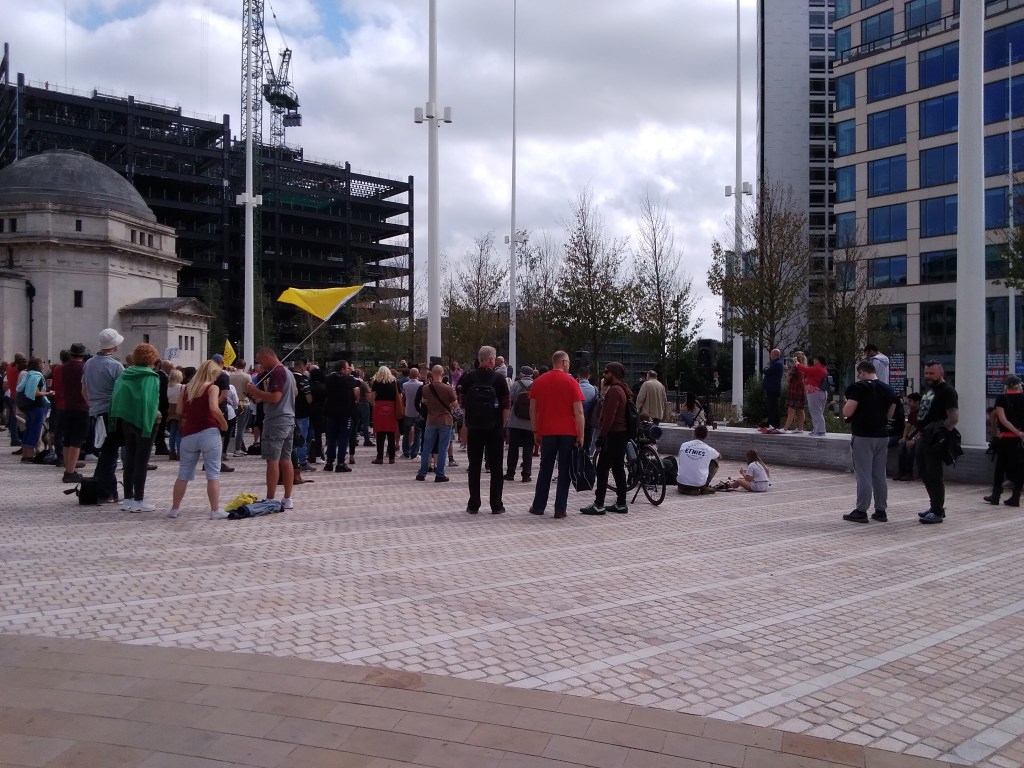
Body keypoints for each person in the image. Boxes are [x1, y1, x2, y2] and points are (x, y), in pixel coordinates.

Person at [167, 360, 230, 519]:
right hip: (209, 432)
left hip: (189, 434)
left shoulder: (187, 388)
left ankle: (174, 509)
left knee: (183, 474)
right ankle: (215, 510)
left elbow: (180, 410)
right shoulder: (212, 388)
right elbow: (214, 408)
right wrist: (223, 424)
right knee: (213, 473)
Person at [527, 350, 584, 519]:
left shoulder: (538, 381)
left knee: (545, 468)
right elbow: (579, 411)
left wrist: (535, 430)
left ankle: (538, 506)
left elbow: (532, 409)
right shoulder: (572, 382)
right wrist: (581, 435)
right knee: (565, 470)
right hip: (568, 432)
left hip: (547, 432)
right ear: (564, 362)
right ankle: (560, 508)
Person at [841, 360, 899, 524]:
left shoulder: (858, 388)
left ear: (862, 373)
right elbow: (890, 414)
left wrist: (846, 405)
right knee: (880, 474)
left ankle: (861, 510)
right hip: (882, 435)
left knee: (863, 474)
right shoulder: (888, 389)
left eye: (859, 374)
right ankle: (881, 510)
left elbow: (848, 411)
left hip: (863, 435)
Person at [108, 343, 161, 513]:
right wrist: (148, 423)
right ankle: (139, 499)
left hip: (127, 420)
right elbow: (149, 402)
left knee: (129, 459)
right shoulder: (150, 377)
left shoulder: (125, 374)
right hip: (145, 421)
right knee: (142, 461)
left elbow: (116, 396)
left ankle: (128, 498)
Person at [460, 346, 511, 514]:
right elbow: (506, 406)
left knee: (474, 466)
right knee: (496, 467)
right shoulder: (499, 379)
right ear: (491, 360)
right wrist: (503, 428)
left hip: (474, 427)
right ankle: (496, 504)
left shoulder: (468, 378)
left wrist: (466, 425)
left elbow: (463, 404)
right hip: (494, 428)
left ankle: (473, 504)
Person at [245, 347, 298, 509]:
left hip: (276, 421)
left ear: (268, 357)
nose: (259, 365)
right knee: (286, 459)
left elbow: (275, 397)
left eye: (260, 361)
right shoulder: (288, 372)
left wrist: (255, 390)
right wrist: (260, 397)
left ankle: (270, 498)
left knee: (272, 460)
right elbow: (294, 392)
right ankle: (287, 498)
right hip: (289, 420)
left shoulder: (277, 372)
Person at [580, 362, 630, 515]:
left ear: (613, 373)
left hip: (613, 434)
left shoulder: (614, 391)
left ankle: (599, 504)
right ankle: (621, 503)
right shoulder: (624, 389)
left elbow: (609, 416)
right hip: (622, 434)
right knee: (618, 468)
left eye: (606, 372)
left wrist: (602, 436)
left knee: (602, 469)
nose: (604, 375)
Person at [83, 328, 125, 503]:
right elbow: (122, 392)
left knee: (106, 452)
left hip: (95, 411)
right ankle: (105, 491)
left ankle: (109, 490)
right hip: (111, 413)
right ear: (114, 346)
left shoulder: (89, 363)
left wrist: (92, 405)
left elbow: (83, 389)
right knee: (110, 454)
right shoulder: (116, 366)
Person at [916, 360, 960, 524]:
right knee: (924, 473)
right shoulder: (930, 390)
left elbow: (953, 418)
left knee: (934, 475)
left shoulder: (948, 391)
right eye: (926, 373)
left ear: (941, 373)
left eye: (931, 373)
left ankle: (937, 510)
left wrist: (940, 435)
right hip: (924, 438)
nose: (928, 376)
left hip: (935, 440)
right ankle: (934, 506)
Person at [985, 375, 1024, 507]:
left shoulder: (1002, 398)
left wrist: (996, 432)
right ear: (1019, 385)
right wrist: (1020, 433)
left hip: (1006, 438)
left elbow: (1001, 419)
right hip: (1021, 440)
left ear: (1006, 386)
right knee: (1020, 467)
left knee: (1000, 467)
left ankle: (996, 496)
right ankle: (1015, 497)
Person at [417, 364, 457, 483]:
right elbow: (455, 405)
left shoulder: (425, 388)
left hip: (431, 420)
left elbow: (424, 401)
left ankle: (422, 473)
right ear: (442, 374)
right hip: (445, 420)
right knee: (442, 448)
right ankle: (439, 474)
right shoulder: (448, 388)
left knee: (426, 447)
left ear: (431, 374)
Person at [60, 342, 90, 483]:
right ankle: (70, 471)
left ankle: (68, 467)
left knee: (68, 439)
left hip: (67, 406)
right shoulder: (84, 368)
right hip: (81, 406)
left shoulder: (63, 368)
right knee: (77, 441)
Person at [324, 360, 359, 473]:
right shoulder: (349, 379)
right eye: (347, 368)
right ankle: (340, 463)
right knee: (344, 438)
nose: (349, 369)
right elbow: (359, 382)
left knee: (332, 438)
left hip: (331, 412)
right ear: (343, 369)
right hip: (345, 413)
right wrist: (353, 372)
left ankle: (329, 462)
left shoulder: (328, 378)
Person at [16, 356, 52, 462]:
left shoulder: (28, 374)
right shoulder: (37, 376)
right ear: (38, 364)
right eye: (43, 362)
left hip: (29, 406)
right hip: (37, 406)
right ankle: (29, 455)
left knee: (29, 430)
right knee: (35, 431)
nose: (44, 363)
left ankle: (26, 454)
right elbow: (35, 393)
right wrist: (49, 393)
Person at [504, 365, 535, 483]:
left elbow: (509, 399)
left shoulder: (516, 385)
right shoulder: (536, 385)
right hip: (530, 423)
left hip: (515, 422)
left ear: (521, 373)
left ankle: (510, 473)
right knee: (528, 449)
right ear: (532, 374)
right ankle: (526, 475)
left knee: (513, 448)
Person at [369, 365, 402, 464]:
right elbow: (399, 395)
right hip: (391, 407)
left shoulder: (376, 382)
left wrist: (374, 404)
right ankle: (391, 457)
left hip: (379, 407)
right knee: (391, 432)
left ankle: (380, 457)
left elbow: (372, 397)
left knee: (380, 433)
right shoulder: (394, 382)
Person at [676, 424, 721, 495]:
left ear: (694, 434)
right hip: (698, 484)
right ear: (706, 436)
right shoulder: (708, 449)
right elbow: (719, 457)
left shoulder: (684, 445)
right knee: (715, 461)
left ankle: (687, 488)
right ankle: (705, 486)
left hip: (681, 482)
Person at [796, 354, 829, 436]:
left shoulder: (817, 368)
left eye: (814, 359)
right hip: (822, 392)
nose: (813, 361)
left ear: (818, 360)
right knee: (819, 412)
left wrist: (796, 362)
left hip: (814, 392)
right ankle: (817, 429)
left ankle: (819, 431)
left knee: (815, 412)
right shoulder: (823, 368)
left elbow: (804, 369)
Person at [292, 359, 315, 472]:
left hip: (289, 412)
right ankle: (302, 461)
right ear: (302, 368)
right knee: (301, 438)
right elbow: (309, 398)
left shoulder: (288, 379)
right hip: (302, 413)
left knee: (291, 439)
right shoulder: (303, 380)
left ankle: (292, 461)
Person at [895, 392, 921, 481]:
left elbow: (922, 429)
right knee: (901, 446)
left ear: (917, 402)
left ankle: (909, 473)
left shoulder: (922, 412)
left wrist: (913, 440)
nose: (908, 403)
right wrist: (904, 437)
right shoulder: (912, 413)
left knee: (910, 448)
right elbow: (908, 426)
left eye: (910, 401)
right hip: (912, 436)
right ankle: (901, 472)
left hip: (920, 436)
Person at [782, 352, 807, 433]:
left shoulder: (795, 368)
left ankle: (785, 428)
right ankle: (800, 428)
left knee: (791, 409)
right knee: (800, 409)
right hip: (801, 389)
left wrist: (786, 370)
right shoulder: (803, 367)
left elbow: (788, 379)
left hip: (794, 390)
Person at [402, 367, 423, 459]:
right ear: (418, 374)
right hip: (418, 411)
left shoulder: (405, 385)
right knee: (418, 432)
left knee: (406, 432)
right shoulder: (421, 384)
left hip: (408, 410)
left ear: (410, 375)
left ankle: (406, 451)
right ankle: (415, 452)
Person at [762, 349, 784, 429]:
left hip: (773, 388)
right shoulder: (777, 363)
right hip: (773, 388)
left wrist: (765, 369)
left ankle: (773, 423)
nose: (770, 356)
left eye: (771, 354)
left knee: (773, 407)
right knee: (772, 406)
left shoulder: (776, 364)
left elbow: (767, 372)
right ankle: (771, 422)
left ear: (774, 355)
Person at [166, 368, 185, 461]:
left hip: (171, 409)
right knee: (179, 433)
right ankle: (179, 453)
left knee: (172, 433)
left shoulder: (169, 387)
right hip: (179, 408)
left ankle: (172, 452)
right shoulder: (182, 387)